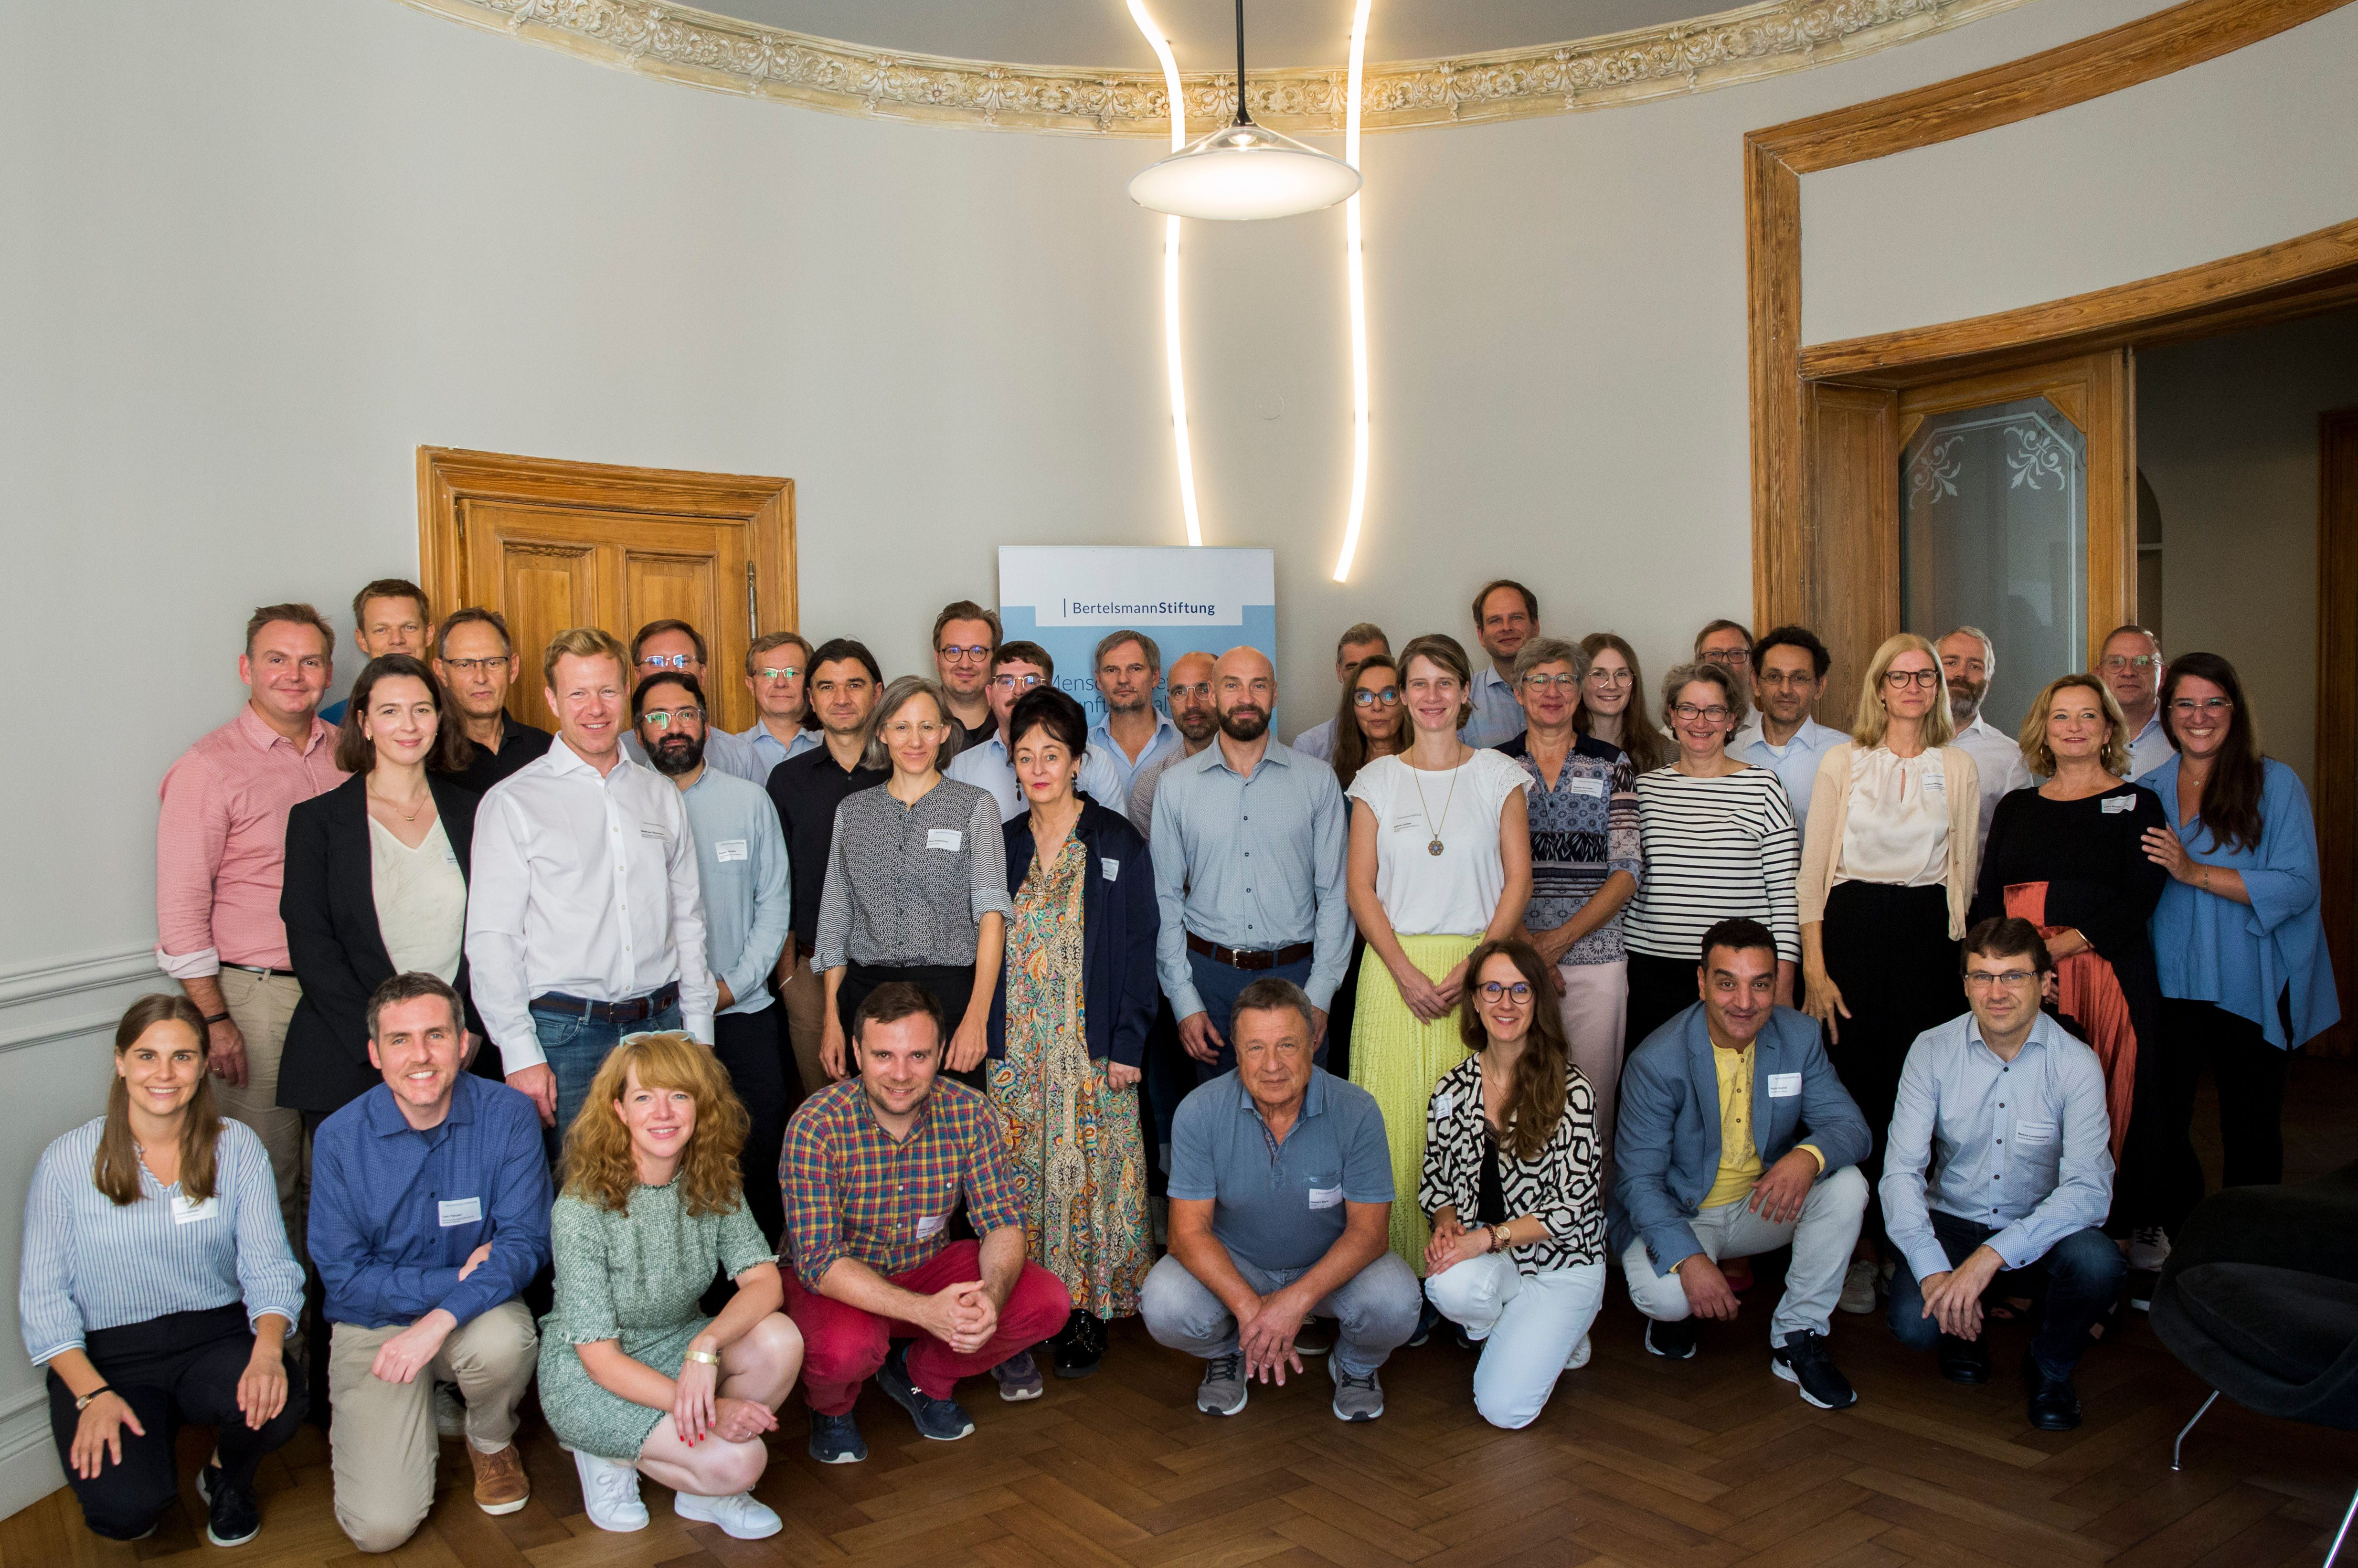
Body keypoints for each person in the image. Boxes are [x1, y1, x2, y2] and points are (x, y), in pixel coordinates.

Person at [21, 996, 305, 1548]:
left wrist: (269, 1352)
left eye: (183, 1056)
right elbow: (44, 1298)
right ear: (121, 1060)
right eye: (148, 1055)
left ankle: (226, 1472)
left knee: (282, 1397)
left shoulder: (237, 1147)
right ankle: (149, 1447)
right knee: (125, 1513)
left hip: (214, 1335)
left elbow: (270, 1265)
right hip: (110, 1355)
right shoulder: (67, 1160)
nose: (165, 1073)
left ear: (203, 1065)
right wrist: (90, 1395)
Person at [308, 974, 550, 1551]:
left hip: (472, 1315)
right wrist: (453, 1281)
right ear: (374, 1052)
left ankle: (490, 1438)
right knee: (379, 1529)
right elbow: (343, 1276)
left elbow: (525, 1245)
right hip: (376, 1326)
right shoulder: (340, 1136)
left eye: (436, 1034)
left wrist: (440, 1317)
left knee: (506, 1340)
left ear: (464, 1042)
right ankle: (425, 1404)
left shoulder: (510, 1114)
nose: (420, 1055)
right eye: (400, 1039)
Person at [781, 984, 1072, 1463]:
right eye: (883, 1055)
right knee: (847, 1348)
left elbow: (1003, 1220)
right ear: (857, 1052)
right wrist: (927, 1313)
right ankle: (831, 1407)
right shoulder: (816, 1123)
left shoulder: (970, 1110)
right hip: (840, 1280)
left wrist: (992, 1298)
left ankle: (922, 1374)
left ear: (940, 1051)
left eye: (918, 1054)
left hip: (925, 1265)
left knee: (1045, 1300)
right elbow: (819, 1261)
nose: (900, 1074)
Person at [540, 1032, 803, 1540]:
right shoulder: (581, 1206)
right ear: (619, 1109)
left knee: (780, 1336)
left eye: (679, 1094)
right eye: (644, 1096)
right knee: (743, 1461)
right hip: (592, 1374)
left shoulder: (712, 1179)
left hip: (677, 1341)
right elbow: (599, 1355)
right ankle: (607, 1454)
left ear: (699, 1105)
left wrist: (704, 1347)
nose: (663, 1111)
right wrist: (713, 1408)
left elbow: (764, 1281)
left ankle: (700, 1488)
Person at [465, 626, 716, 1153]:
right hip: (564, 1038)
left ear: (627, 691)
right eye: (577, 693)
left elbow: (688, 920)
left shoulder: (659, 794)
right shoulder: (513, 802)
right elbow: (493, 939)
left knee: (667, 1190)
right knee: (579, 1196)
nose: (595, 708)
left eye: (606, 690)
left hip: (662, 1029)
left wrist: (700, 1035)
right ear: (552, 699)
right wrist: (519, 1051)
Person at [1613, 919, 1870, 1407]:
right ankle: (1678, 1308)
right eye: (1727, 982)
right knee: (1670, 1297)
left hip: (1760, 1205)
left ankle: (1797, 1335)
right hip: (1685, 1212)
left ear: (1777, 983)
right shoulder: (1657, 1059)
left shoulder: (1798, 1035)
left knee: (1847, 1185)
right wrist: (1689, 1260)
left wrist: (1807, 1155)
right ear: (1702, 981)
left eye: (1760, 984)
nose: (1744, 1002)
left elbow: (1852, 1128)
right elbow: (1637, 1182)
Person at [1881, 920, 2124, 1430]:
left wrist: (1990, 1257)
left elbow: (2090, 1190)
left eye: (2013, 976)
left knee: (2099, 1264)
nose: (1997, 992)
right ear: (1966, 983)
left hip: (2036, 1229)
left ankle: (2050, 1364)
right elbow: (1901, 1172)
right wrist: (1935, 1271)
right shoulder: (1931, 1049)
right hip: (1951, 1220)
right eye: (1983, 976)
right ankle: (1960, 1329)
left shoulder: (2076, 1064)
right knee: (1912, 1324)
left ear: (2043, 981)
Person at [1141, 979, 1421, 1421]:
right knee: (1164, 1302)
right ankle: (1228, 1354)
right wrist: (1254, 1312)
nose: (1272, 1065)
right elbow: (1186, 1235)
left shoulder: (1358, 1110)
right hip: (1240, 1269)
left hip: (1325, 1268)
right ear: (1235, 1049)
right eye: (1255, 1048)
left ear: (1313, 1042)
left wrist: (1293, 1304)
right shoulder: (1199, 1110)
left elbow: (1369, 1234)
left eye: (1287, 1045)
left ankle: (1357, 1365)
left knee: (1397, 1300)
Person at [1796, 632, 1977, 1312]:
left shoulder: (1956, 766)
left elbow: (1963, 876)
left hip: (1926, 939)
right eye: (1897, 677)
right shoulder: (1844, 761)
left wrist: (1959, 963)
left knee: (1920, 1090)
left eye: (1923, 677)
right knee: (1854, 1087)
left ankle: (1910, 1240)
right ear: (1877, 688)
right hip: (1851, 931)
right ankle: (1855, 1247)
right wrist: (1815, 967)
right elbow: (1811, 874)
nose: (1911, 688)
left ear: (1936, 688)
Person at [157, 602, 349, 1242]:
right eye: (277, 659)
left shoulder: (348, 755)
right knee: (266, 1179)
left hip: (343, 995)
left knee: (341, 1177)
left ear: (327, 673)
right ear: (247, 669)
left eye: (310, 661)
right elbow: (182, 909)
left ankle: (335, 1339)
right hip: (257, 997)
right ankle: (278, 1342)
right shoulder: (209, 767)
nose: (294, 674)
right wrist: (214, 1020)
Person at [984, 688, 1159, 1380]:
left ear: (1078, 760)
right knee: (1022, 1181)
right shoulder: (999, 844)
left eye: (1051, 754)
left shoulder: (1115, 840)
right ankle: (1029, 1306)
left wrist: (1127, 1043)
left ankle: (1085, 1308)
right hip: (1020, 1048)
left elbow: (1141, 947)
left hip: (1090, 1048)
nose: (1038, 768)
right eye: (1025, 756)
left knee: (1089, 1176)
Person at [1345, 633, 1533, 1274]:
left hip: (1479, 973)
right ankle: (1393, 1270)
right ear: (1402, 696)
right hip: (1391, 973)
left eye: (1443, 683)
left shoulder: (1499, 775)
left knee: (1470, 1130)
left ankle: (1465, 1275)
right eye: (1417, 684)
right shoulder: (1375, 779)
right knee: (1395, 1127)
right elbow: (1359, 888)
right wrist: (1403, 971)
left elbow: (1517, 882)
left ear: (1464, 695)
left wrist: (1475, 969)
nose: (1430, 697)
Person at [2136, 652, 2340, 1244]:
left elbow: (2299, 885)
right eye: (2185, 703)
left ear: (2234, 709)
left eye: (2214, 702)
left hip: (2250, 978)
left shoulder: (2273, 782)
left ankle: (2251, 1250)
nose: (2199, 716)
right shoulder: (2147, 791)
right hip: (2171, 980)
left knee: (2250, 1129)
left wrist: (2194, 871)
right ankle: (2189, 1243)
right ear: (2167, 712)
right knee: (2166, 1126)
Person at [1971, 675, 2165, 1253]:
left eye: (2088, 715)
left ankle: (2104, 1247)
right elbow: (1988, 896)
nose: (2074, 727)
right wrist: (2009, 965)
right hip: (2022, 983)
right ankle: (2021, 1245)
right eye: (2061, 716)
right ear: (2044, 730)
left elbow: (2143, 895)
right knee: (2024, 1105)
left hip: (2106, 976)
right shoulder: (2017, 805)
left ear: (2109, 729)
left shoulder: (2138, 802)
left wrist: (2061, 946)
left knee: (2110, 1100)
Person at [281, 654, 489, 1123]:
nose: (408, 724)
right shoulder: (318, 823)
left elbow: (501, 931)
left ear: (439, 718)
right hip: (351, 1057)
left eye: (421, 708)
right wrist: (385, 1043)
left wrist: (469, 1027)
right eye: (390, 710)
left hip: (463, 1052)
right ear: (364, 722)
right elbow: (313, 949)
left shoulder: (478, 812)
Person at [1419, 941, 1607, 1430]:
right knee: (1444, 1278)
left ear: (1538, 1000)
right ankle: (1527, 1329)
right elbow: (1435, 1179)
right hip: (1494, 1258)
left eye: (1520, 989)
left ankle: (1561, 1327)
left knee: (1505, 1410)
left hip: (1563, 1263)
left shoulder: (1573, 1088)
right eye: (1493, 989)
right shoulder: (1451, 1088)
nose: (1506, 1002)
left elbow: (1573, 1207)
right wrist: (1446, 1227)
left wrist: (1485, 1238)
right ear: (1475, 1002)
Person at [634, 672, 794, 1243]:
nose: (673, 727)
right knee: (664, 1161)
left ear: (705, 723)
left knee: (757, 1147)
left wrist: (730, 986)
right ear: (639, 730)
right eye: (658, 716)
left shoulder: (748, 801)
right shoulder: (625, 805)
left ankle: (756, 1285)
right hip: (656, 1024)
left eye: (685, 713)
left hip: (743, 1011)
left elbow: (774, 903)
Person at [1150, 646, 1351, 1080]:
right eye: (1231, 685)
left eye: (1258, 685)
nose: (1246, 697)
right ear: (1214, 696)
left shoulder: (1317, 781)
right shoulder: (1175, 787)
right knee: (1221, 1128)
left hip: (1299, 977)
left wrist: (1320, 994)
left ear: (1275, 695)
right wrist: (1184, 1000)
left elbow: (1335, 894)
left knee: (1305, 1121)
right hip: (1210, 980)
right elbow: (1164, 899)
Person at [816, 675, 1010, 1089]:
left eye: (927, 727)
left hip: (950, 997)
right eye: (902, 727)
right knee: (872, 1136)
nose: (915, 740)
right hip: (867, 996)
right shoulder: (852, 812)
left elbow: (992, 914)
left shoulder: (974, 807)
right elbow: (836, 917)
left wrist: (978, 1015)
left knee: (953, 1133)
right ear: (882, 732)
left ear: (944, 732)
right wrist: (832, 1019)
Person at [1495, 637, 1639, 1180]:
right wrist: (1531, 946)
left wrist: (1557, 942)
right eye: (1539, 680)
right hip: (1513, 961)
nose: (1552, 692)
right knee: (1515, 1094)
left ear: (1580, 693)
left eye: (1564, 680)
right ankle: (1517, 1221)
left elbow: (1627, 870)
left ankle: (1587, 1230)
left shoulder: (1611, 764)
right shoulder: (1493, 766)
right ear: (1518, 692)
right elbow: (1486, 869)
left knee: (1593, 1101)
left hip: (1598, 958)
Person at [1618, 662, 1799, 1056]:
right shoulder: (1643, 790)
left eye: (1714, 711)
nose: (1701, 722)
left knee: (1734, 1090)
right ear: (1671, 715)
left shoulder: (1764, 787)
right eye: (1688, 709)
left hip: (1740, 977)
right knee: (1657, 1089)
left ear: (1732, 719)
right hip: (1651, 970)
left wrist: (1782, 985)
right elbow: (1624, 889)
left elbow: (1785, 897)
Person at [766, 638, 888, 1100]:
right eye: (827, 686)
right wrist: (787, 976)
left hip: (891, 967)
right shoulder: (788, 780)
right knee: (825, 1105)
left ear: (877, 692)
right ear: (810, 698)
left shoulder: (904, 769)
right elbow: (775, 883)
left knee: (895, 1101)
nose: (841, 698)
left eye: (854, 684)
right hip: (811, 973)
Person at [1321, 651, 1410, 1080]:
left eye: (1389, 694)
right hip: (1350, 947)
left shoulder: (1430, 774)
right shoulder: (1332, 782)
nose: (1377, 706)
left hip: (1416, 939)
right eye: (1364, 696)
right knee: (1357, 1062)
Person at [946, 641, 1129, 821]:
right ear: (989, 695)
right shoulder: (960, 770)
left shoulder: (1095, 761)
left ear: (1050, 692)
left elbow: (1116, 838)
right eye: (1006, 681)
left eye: (1031, 681)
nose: (1019, 691)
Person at [1730, 625, 1845, 839]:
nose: (1785, 689)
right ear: (1756, 683)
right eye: (1774, 677)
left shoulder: (1847, 754)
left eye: (1799, 678)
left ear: (1819, 687)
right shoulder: (1731, 754)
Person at [620, 619, 763, 784]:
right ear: (637, 674)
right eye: (656, 662)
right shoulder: (619, 754)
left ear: (702, 673)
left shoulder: (740, 757)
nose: (671, 671)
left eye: (683, 661)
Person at [1937, 625, 2035, 858]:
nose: (1961, 673)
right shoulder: (1897, 745)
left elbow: (2020, 847)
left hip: (1977, 893)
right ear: (1930, 673)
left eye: (1975, 666)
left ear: (1988, 683)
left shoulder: (2011, 758)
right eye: (1951, 662)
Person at [434, 608, 552, 796]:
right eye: (465, 665)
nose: (481, 678)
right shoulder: (428, 758)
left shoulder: (546, 750)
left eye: (493, 663)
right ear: (441, 672)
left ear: (513, 668)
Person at [1126, 649, 1219, 839]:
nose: (1191, 704)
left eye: (1204, 689)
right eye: (1180, 692)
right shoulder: (1151, 784)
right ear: (1169, 702)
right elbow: (1149, 865)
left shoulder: (1257, 770)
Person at [320, 578, 431, 727]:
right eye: (381, 630)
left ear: (428, 634)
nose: (397, 640)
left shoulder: (457, 713)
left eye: (409, 627)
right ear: (362, 640)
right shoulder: (334, 722)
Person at [1089, 629, 1183, 792]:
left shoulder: (1184, 741)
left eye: (1135, 669)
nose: (1123, 679)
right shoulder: (1081, 747)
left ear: (1155, 676)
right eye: (1112, 670)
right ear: (1099, 680)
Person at [1291, 623, 1390, 763]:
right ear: (1339, 672)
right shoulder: (1311, 748)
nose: (1363, 677)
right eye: (1353, 668)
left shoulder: (1417, 741)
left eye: (1373, 667)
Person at [1574, 632, 1669, 773]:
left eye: (1622, 674)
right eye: (1599, 674)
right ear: (1579, 682)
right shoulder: (1558, 751)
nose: (1612, 686)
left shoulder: (1666, 753)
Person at [734, 630, 821, 779]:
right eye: (768, 674)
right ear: (751, 686)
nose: (781, 683)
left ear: (810, 682)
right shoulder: (734, 752)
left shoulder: (830, 746)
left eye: (792, 673)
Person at [1463, 581, 1539, 748]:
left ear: (1536, 626)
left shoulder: (1565, 690)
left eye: (1516, 618)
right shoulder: (1463, 698)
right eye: (1495, 620)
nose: (1506, 627)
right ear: (1481, 634)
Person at [2097, 625, 2173, 779]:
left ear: (2163, 676)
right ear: (2099, 675)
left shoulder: (2184, 731)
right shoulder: (2081, 732)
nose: (2129, 672)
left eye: (2143, 662)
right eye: (2116, 662)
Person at [932, 600, 1003, 752]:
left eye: (978, 651)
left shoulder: (1016, 724)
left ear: (996, 660)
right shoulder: (917, 728)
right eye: (953, 651)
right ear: (937, 659)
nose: (965, 664)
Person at [1693, 618, 1755, 721]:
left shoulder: (1768, 731)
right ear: (1697, 664)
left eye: (1736, 653)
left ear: (1752, 666)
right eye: (1715, 654)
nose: (1725, 662)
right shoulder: (1678, 732)